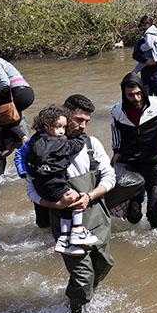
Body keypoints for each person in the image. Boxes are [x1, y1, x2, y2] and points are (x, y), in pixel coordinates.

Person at [25, 94, 116, 313]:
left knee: (103, 266)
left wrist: (90, 195)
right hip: (65, 225)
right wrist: (55, 203)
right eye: (78, 120)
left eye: (86, 121)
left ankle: (85, 299)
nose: (82, 125)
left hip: (97, 219)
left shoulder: (91, 144)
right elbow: (31, 190)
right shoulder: (41, 146)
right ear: (65, 115)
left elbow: (110, 176)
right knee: (83, 277)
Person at [111, 72, 157, 228]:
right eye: (131, 95)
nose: (136, 98)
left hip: (153, 165)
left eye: (138, 93)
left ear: (143, 91)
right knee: (132, 216)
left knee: (154, 214)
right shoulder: (117, 111)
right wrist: (116, 151)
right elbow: (115, 131)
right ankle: (138, 196)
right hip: (130, 167)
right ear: (124, 95)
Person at [26, 104, 98, 254]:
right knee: (75, 198)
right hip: (53, 184)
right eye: (58, 127)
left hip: (41, 185)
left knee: (66, 206)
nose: (61, 131)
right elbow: (74, 145)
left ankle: (64, 240)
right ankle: (77, 231)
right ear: (46, 126)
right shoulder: (57, 142)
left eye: (64, 128)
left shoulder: (34, 141)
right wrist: (82, 136)